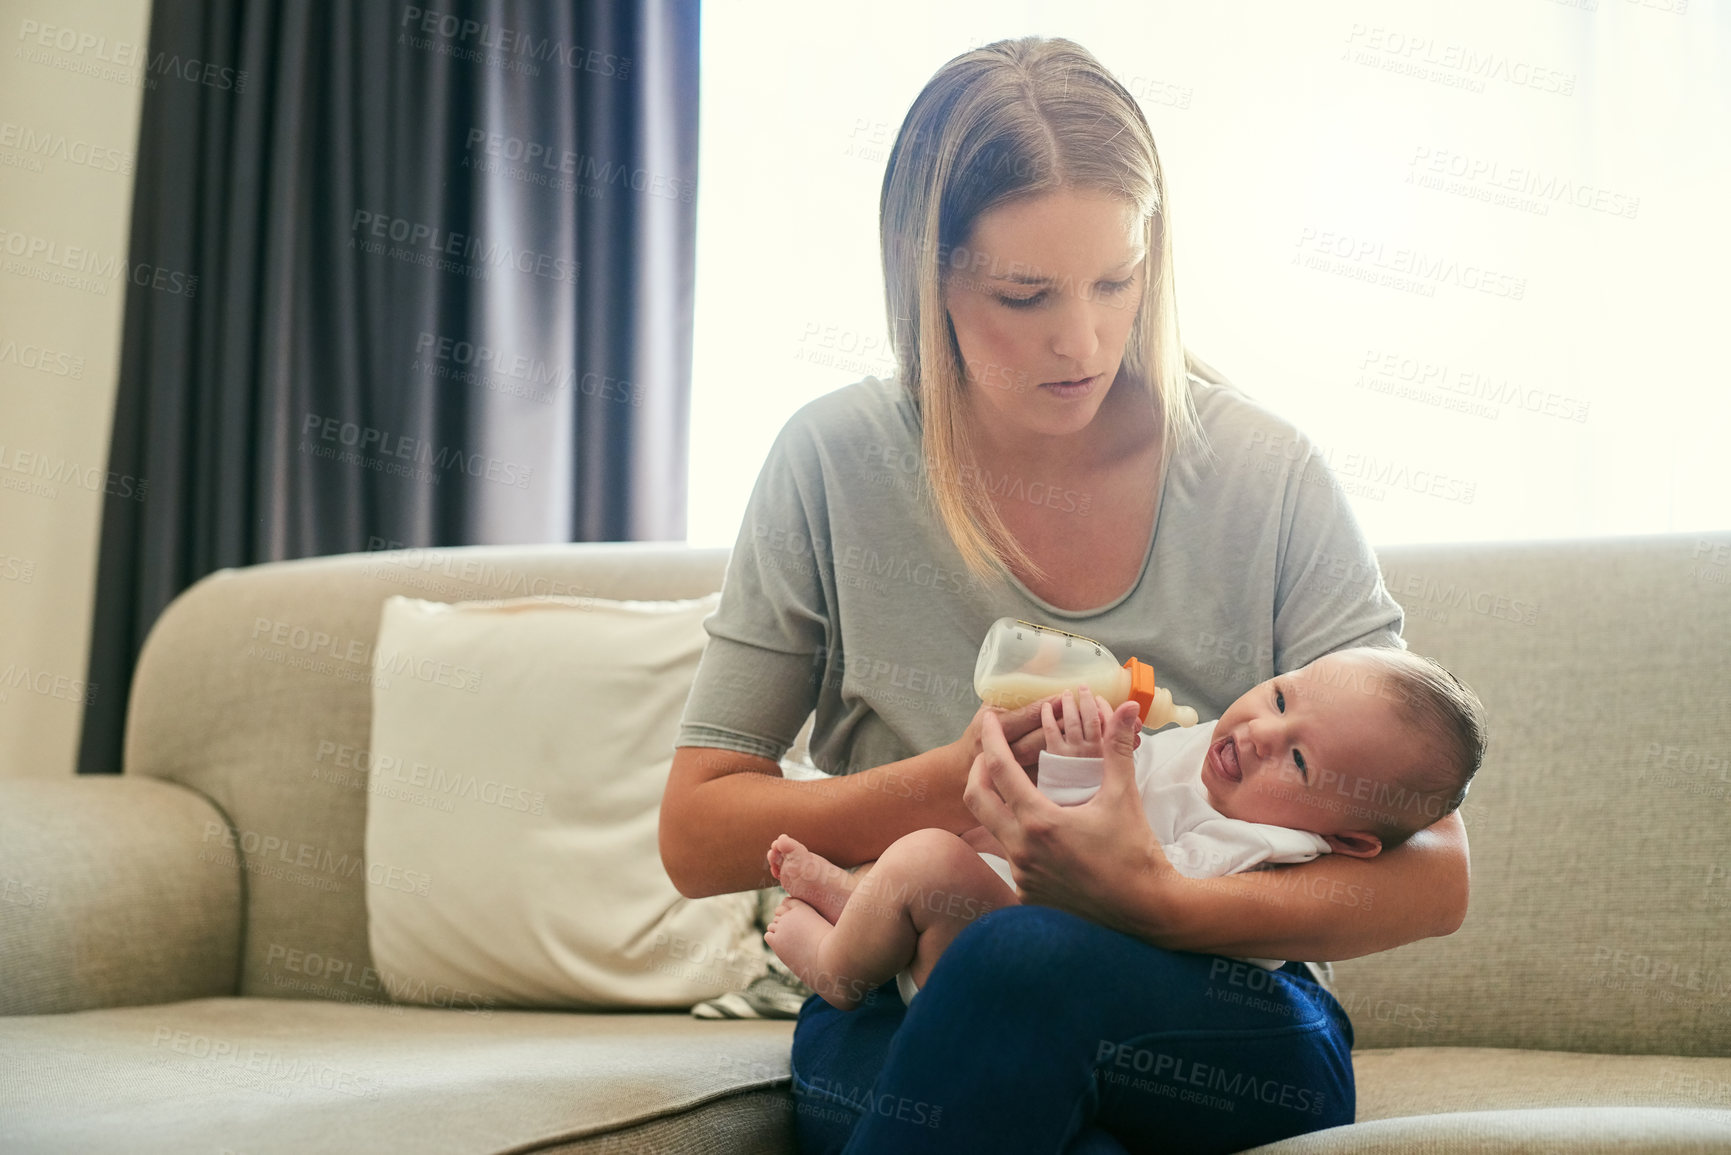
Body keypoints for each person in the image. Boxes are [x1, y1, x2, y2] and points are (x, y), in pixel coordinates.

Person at [660, 35, 1471, 1155]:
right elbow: (698, 833)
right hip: (914, 986)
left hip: (1219, 1015)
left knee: (1021, 961)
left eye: (1116, 281)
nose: (1083, 341)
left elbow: (1435, 879)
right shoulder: (832, 464)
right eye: (1025, 294)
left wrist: (1159, 903)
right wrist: (948, 785)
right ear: (925, 271)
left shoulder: (1265, 474)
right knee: (1016, 1038)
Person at [761, 647, 1486, 1012]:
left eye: (1298, 757)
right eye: (1277, 694)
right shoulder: (1211, 754)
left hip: (1038, 978)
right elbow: (1094, 816)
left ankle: (836, 968)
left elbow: (1123, 886)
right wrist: (1061, 759)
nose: (1261, 731)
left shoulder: (1270, 847)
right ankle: (857, 898)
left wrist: (1078, 781)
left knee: (926, 861)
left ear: (1349, 838)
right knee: (957, 846)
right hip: (1017, 929)